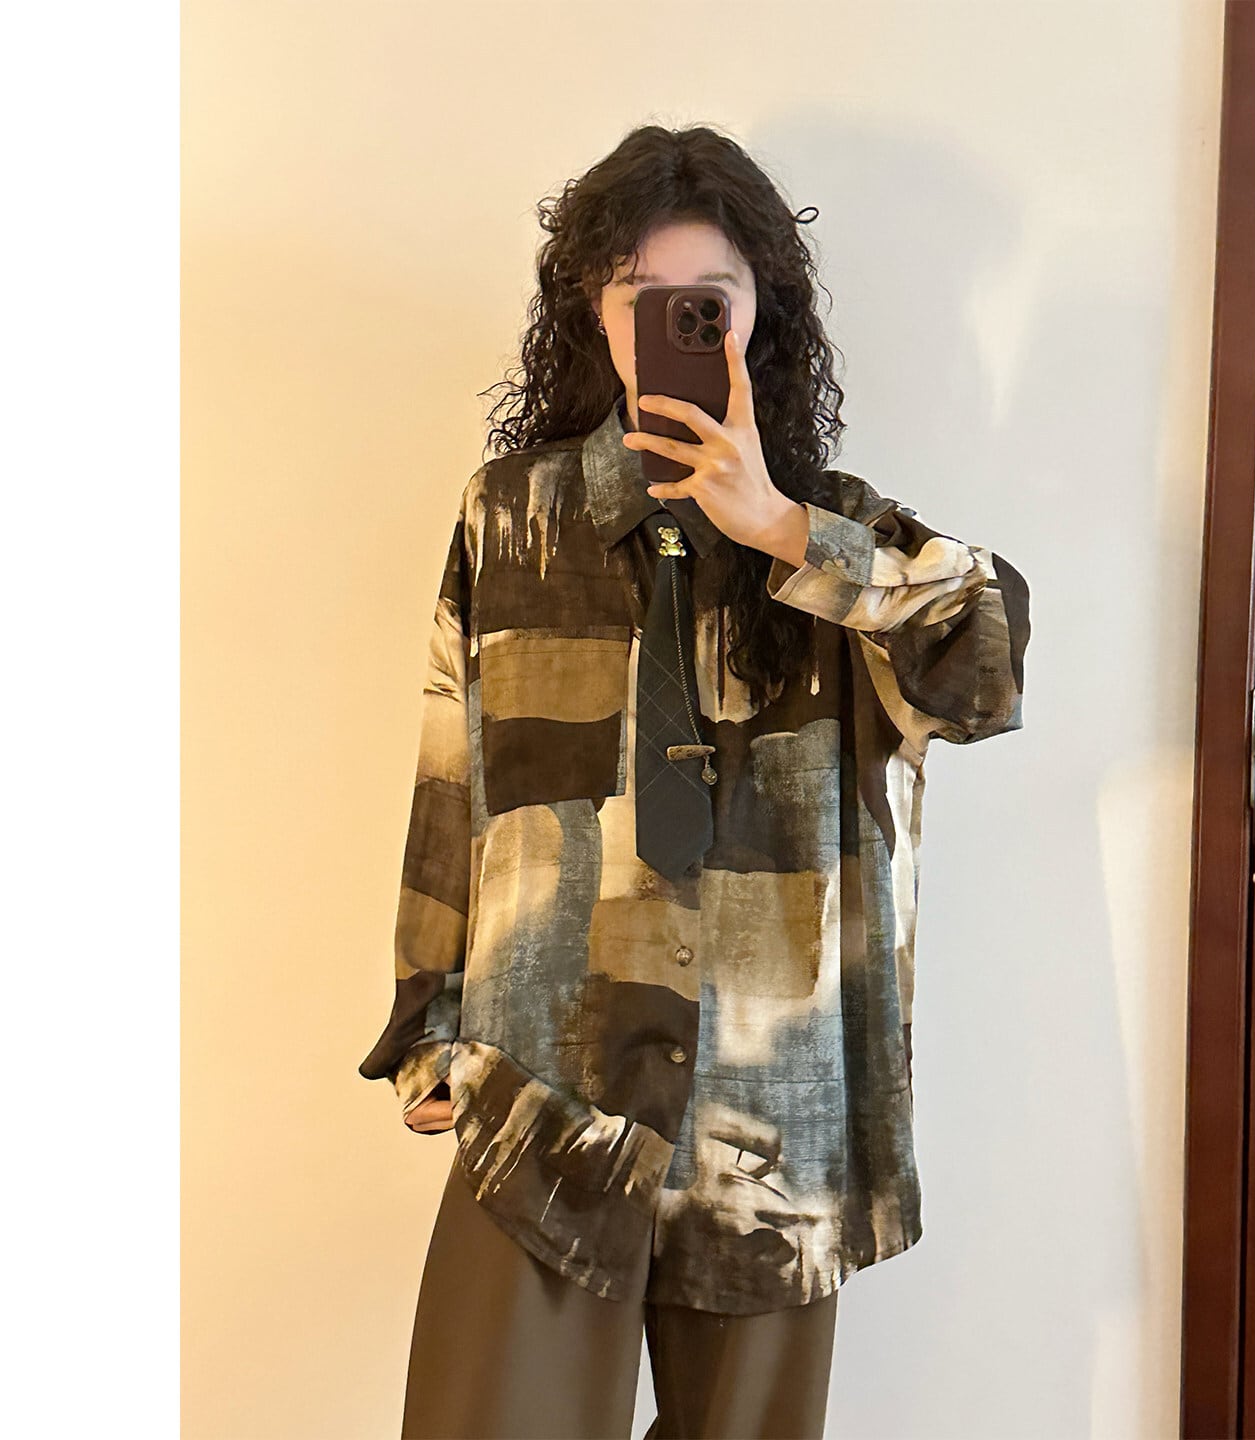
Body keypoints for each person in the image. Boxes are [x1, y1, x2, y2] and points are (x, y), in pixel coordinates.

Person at [358, 123, 1031, 1440]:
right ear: (593, 311)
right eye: (640, 295)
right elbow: (455, 767)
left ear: (754, 311)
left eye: (705, 301)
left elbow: (984, 669)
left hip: (772, 1125)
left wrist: (778, 527)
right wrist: (425, 1019)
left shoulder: (840, 532)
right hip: (541, 1089)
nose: (671, 324)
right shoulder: (513, 517)